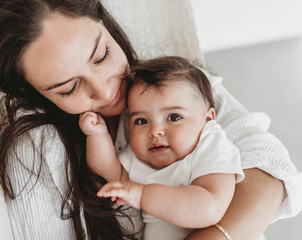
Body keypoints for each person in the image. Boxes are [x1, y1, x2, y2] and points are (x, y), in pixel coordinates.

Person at [0, 0, 302, 239]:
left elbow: (273, 169)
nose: (105, 91)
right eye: (70, 87)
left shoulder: (179, 84)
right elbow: (112, 172)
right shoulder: (40, 151)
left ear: (104, 22)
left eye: (102, 55)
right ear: (33, 92)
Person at [79, 56, 245, 239]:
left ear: (207, 120)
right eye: (141, 121)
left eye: (174, 117)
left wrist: (142, 196)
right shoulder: (140, 159)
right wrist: (97, 135)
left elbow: (210, 208)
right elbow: (107, 172)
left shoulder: (210, 147)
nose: (155, 131)